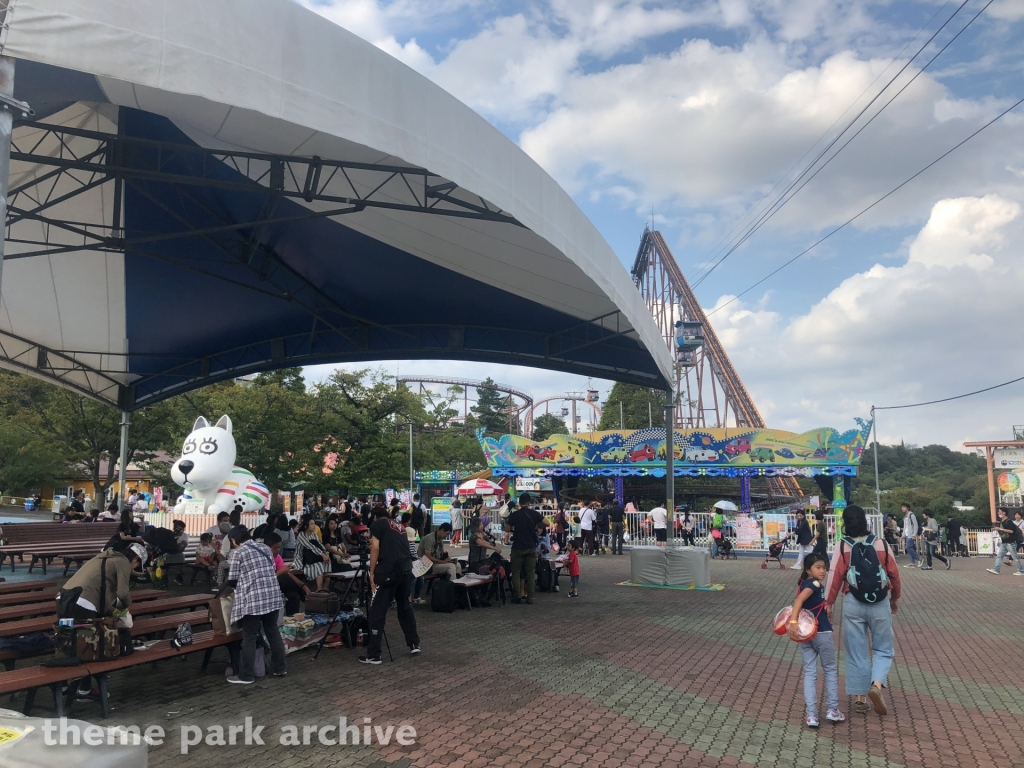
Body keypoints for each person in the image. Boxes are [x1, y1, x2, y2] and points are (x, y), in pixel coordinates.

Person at [825, 505, 901, 717]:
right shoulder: (881, 544)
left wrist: (828, 603)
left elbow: (834, 577)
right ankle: (876, 685)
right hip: (880, 602)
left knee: (856, 650)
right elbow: (894, 574)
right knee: (884, 648)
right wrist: (895, 599)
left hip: (853, 602)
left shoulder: (842, 546)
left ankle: (859, 698)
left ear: (845, 523)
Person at [219, 526, 287, 684]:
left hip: (254, 600)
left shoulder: (239, 553)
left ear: (234, 541)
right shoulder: (264, 547)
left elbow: (233, 580)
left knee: (249, 636)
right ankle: (280, 668)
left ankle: (246, 676)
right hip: (272, 597)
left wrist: (228, 591)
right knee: (273, 633)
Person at [788, 552, 843, 728]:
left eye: (824, 568)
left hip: (806, 634)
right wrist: (793, 621)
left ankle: (812, 715)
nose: (822, 571)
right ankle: (832, 710)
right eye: (818, 567)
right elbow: (799, 601)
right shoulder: (814, 583)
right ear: (808, 569)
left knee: (810, 672)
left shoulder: (803, 583)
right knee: (829, 669)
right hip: (821, 632)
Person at [363, 507, 420, 664]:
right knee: (404, 607)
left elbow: (375, 548)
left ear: (374, 517)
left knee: (377, 611)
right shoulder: (398, 525)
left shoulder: (377, 525)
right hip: (406, 569)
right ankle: (414, 643)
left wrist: (372, 572)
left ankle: (374, 654)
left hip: (389, 571)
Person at [504, 494, 543, 604]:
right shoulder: (534, 514)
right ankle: (530, 597)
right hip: (531, 547)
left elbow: (507, 528)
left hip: (518, 547)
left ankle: (517, 596)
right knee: (530, 572)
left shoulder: (515, 515)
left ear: (520, 502)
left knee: (516, 572)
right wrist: (538, 527)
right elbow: (547, 523)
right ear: (529, 502)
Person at [265, 532, 310, 615]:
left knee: (293, 594)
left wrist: (303, 585)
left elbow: (288, 574)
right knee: (284, 577)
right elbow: (265, 580)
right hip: (266, 586)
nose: (278, 550)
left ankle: (292, 620)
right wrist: (280, 572)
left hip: (278, 586)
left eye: (279, 547)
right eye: (275, 548)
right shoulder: (263, 559)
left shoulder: (277, 557)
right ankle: (309, 599)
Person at [294, 514, 331, 591]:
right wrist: (322, 555)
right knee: (318, 566)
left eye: (314, 524)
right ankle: (319, 589)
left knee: (328, 563)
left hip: (313, 557)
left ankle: (325, 587)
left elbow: (320, 545)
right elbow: (310, 546)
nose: (314, 526)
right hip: (302, 559)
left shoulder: (314, 534)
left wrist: (326, 554)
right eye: (312, 524)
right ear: (305, 526)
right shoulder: (301, 535)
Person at [986, 507, 1024, 576]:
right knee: (999, 556)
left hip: (1010, 542)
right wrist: (997, 529)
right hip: (1004, 542)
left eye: (999, 511)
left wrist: (1000, 529)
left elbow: (1011, 531)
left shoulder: (1009, 521)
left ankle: (1021, 570)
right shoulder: (1002, 521)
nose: (998, 513)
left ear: (1004, 512)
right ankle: (996, 569)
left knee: (1015, 557)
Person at [901, 503, 920, 568]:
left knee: (908, 548)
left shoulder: (911, 515)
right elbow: (905, 526)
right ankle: (912, 563)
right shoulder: (905, 516)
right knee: (910, 548)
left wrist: (914, 535)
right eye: (902, 507)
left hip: (911, 534)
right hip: (907, 534)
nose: (902, 508)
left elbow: (915, 525)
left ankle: (918, 558)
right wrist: (903, 535)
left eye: (904, 507)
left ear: (908, 508)